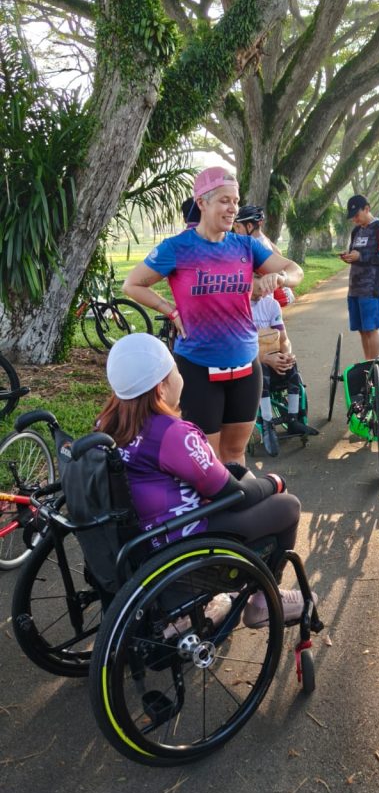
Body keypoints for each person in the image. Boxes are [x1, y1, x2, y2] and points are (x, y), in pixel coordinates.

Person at [97, 333, 314, 625]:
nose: (180, 377)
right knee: (287, 506)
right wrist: (274, 482)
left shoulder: (107, 424)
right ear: (161, 387)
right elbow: (236, 496)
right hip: (184, 538)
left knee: (238, 475)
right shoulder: (172, 434)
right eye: (175, 370)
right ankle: (263, 602)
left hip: (143, 538)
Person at [122, 167, 303, 465]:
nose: (233, 208)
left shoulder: (246, 246)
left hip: (246, 365)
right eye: (224, 200)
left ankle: (240, 497)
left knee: (235, 454)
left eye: (236, 201)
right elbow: (132, 284)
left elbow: (296, 270)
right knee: (207, 459)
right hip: (197, 366)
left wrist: (281, 278)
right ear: (202, 203)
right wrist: (170, 310)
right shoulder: (178, 248)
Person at [250, 277, 319, 455]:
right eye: (262, 283)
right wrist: (265, 359)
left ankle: (293, 419)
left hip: (273, 357)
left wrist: (287, 354)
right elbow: (237, 347)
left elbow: (284, 339)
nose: (268, 288)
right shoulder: (238, 307)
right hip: (250, 363)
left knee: (291, 366)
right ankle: (267, 423)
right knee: (262, 369)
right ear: (249, 278)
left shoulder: (271, 304)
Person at [340, 194, 379, 360]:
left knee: (371, 328)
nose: (354, 219)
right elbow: (355, 253)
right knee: (361, 329)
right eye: (352, 217)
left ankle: (373, 366)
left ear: (367, 209)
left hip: (371, 289)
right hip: (354, 288)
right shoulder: (356, 231)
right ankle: (367, 363)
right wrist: (348, 256)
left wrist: (360, 257)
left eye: (357, 215)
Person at [233, 203, 296, 308]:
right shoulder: (263, 239)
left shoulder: (256, 246)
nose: (236, 232)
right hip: (281, 295)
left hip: (272, 298)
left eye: (238, 227)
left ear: (249, 226)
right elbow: (279, 253)